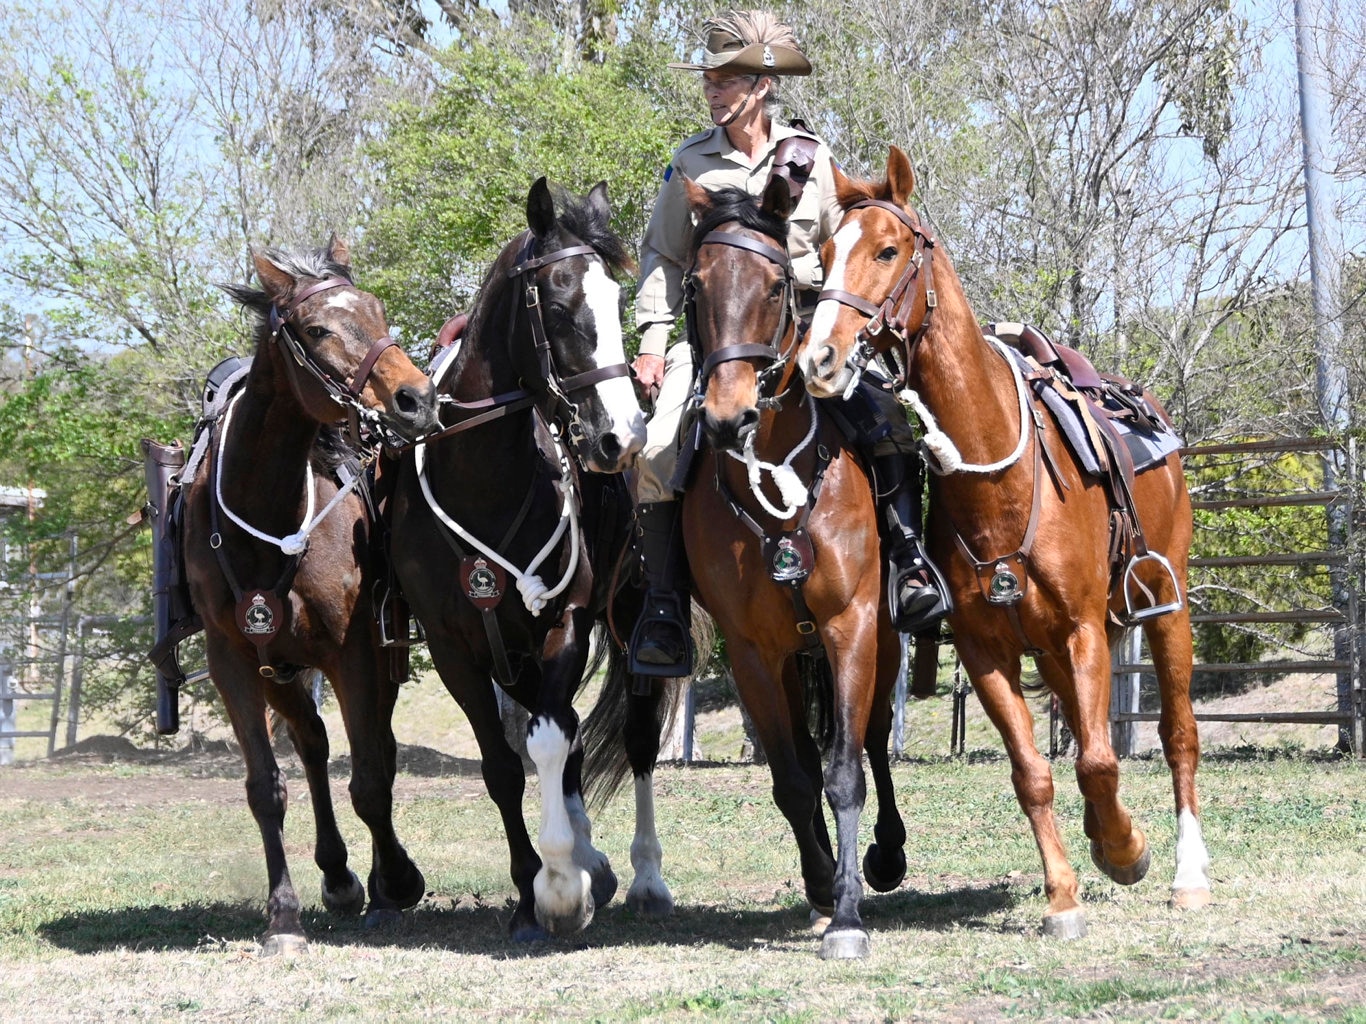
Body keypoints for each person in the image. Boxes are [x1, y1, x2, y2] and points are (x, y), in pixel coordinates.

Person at [627, 9, 948, 678]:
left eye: (725, 80)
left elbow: (847, 241)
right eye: (709, 81)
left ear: (760, 87)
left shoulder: (809, 157)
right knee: (656, 447)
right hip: (715, 335)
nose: (713, 91)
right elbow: (661, 256)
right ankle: (663, 607)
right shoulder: (688, 162)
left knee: (887, 419)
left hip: (801, 327)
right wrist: (654, 342)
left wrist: (842, 312)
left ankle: (910, 564)